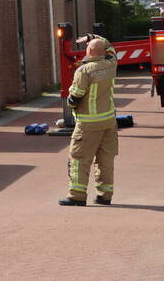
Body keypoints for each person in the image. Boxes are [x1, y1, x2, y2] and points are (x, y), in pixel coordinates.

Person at [60, 37, 118, 206]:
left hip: (88, 124)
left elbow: (76, 96)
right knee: (105, 160)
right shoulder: (111, 64)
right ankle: (105, 195)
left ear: (89, 52)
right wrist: (94, 38)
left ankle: (77, 196)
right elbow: (110, 47)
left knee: (79, 158)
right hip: (108, 122)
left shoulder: (84, 71)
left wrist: (71, 104)